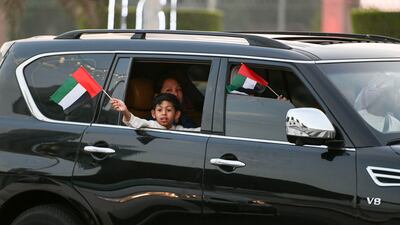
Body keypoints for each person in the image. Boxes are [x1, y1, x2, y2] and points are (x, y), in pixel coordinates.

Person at [110, 93, 200, 131]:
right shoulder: (151, 125)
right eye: (159, 110)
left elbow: (196, 131)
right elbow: (136, 122)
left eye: (168, 110)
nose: (164, 113)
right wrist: (125, 111)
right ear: (153, 114)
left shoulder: (179, 129)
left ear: (177, 114)